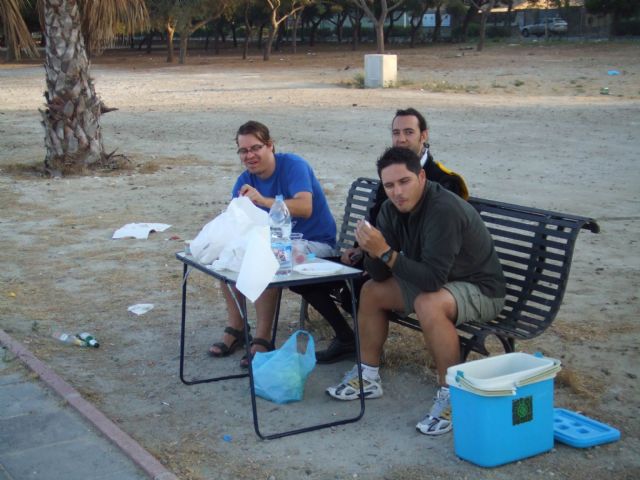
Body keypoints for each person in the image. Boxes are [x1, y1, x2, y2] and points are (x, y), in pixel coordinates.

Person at [326, 147, 506, 436]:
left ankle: (453, 395)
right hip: (440, 282)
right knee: (372, 291)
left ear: (421, 177)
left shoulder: (443, 209)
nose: (397, 192)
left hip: (481, 288)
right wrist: (372, 250)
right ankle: (367, 376)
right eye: (389, 185)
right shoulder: (389, 209)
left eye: (404, 181)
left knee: (428, 303)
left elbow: (432, 280)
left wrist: (385, 251)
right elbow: (381, 274)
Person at [292, 108, 468, 364]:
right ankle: (347, 338)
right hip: (380, 255)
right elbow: (376, 219)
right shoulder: (391, 172)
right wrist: (359, 247)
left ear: (424, 136)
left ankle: (366, 352)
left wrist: (382, 254)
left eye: (409, 132)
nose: (402, 139)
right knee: (303, 275)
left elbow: (439, 243)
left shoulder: (445, 181)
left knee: (364, 286)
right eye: (396, 133)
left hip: (413, 265)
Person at [208, 121, 337, 368]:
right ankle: (237, 326)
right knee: (229, 254)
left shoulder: (293, 166)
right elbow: (237, 222)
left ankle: (263, 338)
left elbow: (305, 207)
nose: (249, 156)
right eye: (243, 151)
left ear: (270, 146)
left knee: (266, 257)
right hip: (279, 243)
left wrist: (264, 201)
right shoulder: (245, 180)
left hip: (315, 244)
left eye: (255, 148)